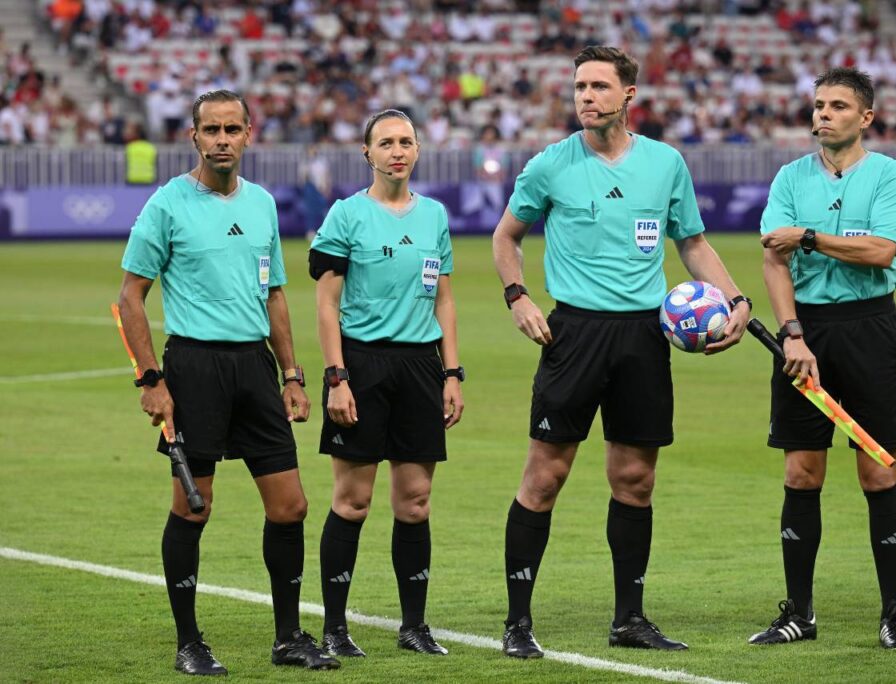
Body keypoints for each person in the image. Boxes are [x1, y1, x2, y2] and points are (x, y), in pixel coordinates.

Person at [491, 46, 751, 658]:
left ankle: (629, 619)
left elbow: (692, 243)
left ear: (628, 95)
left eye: (599, 86)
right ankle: (517, 622)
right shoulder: (549, 165)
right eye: (579, 85)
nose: (585, 96)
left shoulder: (665, 165)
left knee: (635, 481)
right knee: (544, 477)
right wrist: (518, 297)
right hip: (573, 334)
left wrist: (735, 299)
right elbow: (507, 237)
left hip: (644, 336)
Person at [117, 89, 340, 676]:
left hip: (254, 370)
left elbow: (274, 295)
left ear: (248, 135)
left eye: (232, 129)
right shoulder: (167, 204)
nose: (221, 139)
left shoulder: (263, 203)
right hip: (193, 369)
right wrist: (150, 379)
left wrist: (292, 374)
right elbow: (130, 297)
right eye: (210, 129)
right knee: (194, 508)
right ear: (192, 137)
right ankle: (189, 641)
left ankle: (289, 637)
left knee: (290, 506)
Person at [754, 67, 896, 649]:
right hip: (807, 333)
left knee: (879, 468)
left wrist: (812, 238)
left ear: (865, 117)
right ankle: (799, 612)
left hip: (870, 329)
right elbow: (773, 258)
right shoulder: (790, 177)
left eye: (838, 106)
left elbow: (881, 250)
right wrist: (791, 334)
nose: (823, 114)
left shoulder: (889, 174)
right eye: (818, 104)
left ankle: (893, 613)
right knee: (802, 472)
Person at [309, 109, 464, 658]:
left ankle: (414, 626)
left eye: (406, 141)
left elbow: (443, 298)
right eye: (386, 142)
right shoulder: (346, 215)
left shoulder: (435, 217)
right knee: (352, 501)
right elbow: (326, 305)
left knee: (416, 502)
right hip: (363, 365)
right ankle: (333, 627)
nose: (397, 151)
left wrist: (451, 372)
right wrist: (337, 378)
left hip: (421, 368)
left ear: (418, 150)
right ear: (367, 154)